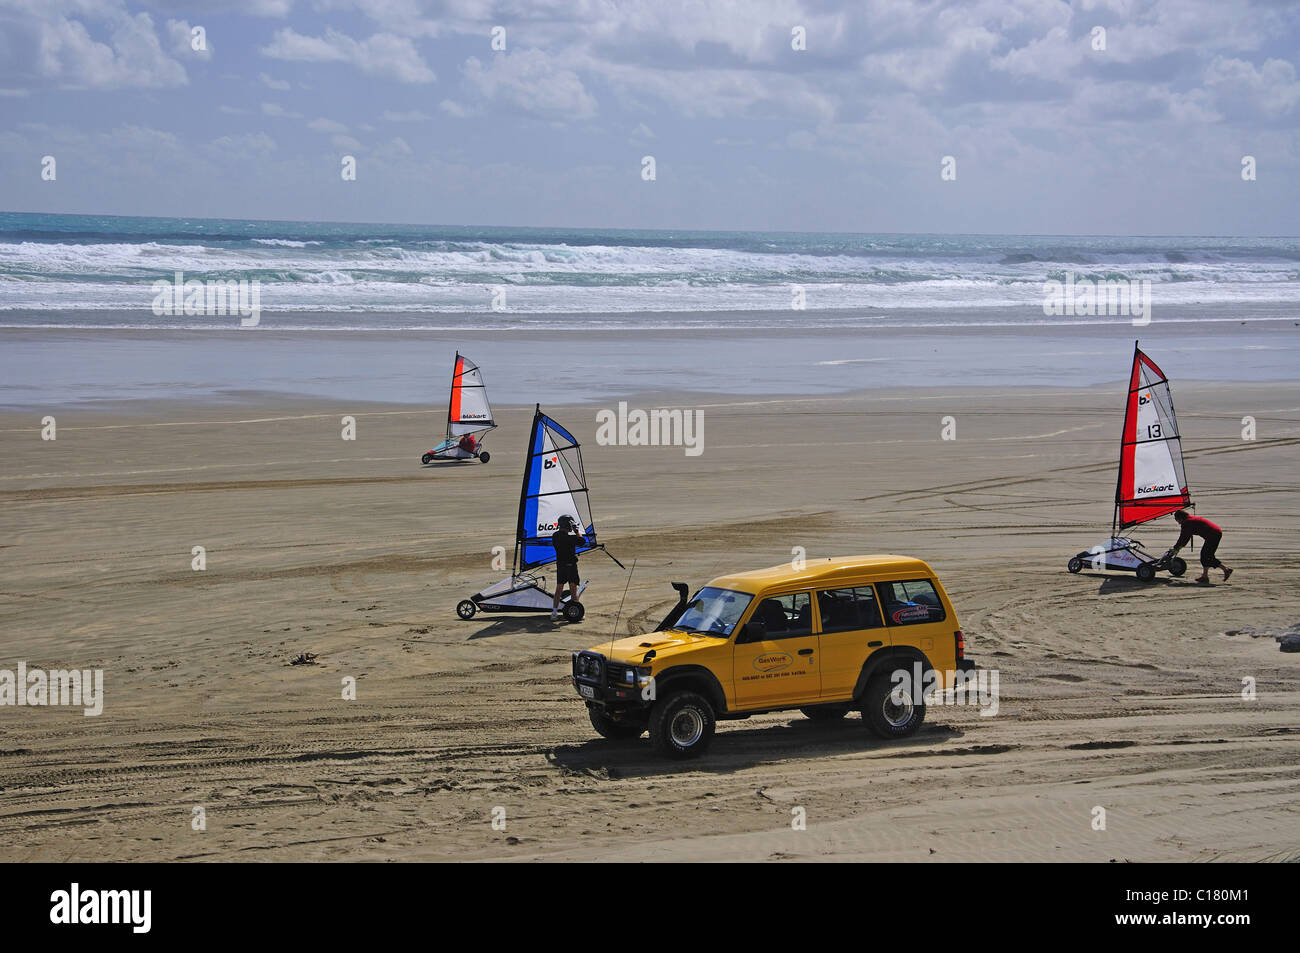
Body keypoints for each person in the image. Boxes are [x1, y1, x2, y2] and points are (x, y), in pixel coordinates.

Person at [1170, 510, 1232, 585]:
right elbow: (1185, 537)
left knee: (1206, 556)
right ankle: (1205, 576)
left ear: (1180, 518)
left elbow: (1184, 538)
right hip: (1214, 533)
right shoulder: (1190, 520)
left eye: (1177, 520)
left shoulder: (1187, 523)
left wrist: (1176, 547)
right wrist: (1179, 546)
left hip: (1213, 535)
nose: (1178, 522)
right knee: (1206, 556)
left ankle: (1225, 570)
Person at [550, 514, 586, 621]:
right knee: (573, 588)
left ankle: (554, 612)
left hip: (560, 565)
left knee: (559, 588)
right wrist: (576, 531)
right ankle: (577, 611)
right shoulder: (571, 538)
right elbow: (582, 541)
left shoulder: (555, 536)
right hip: (571, 565)